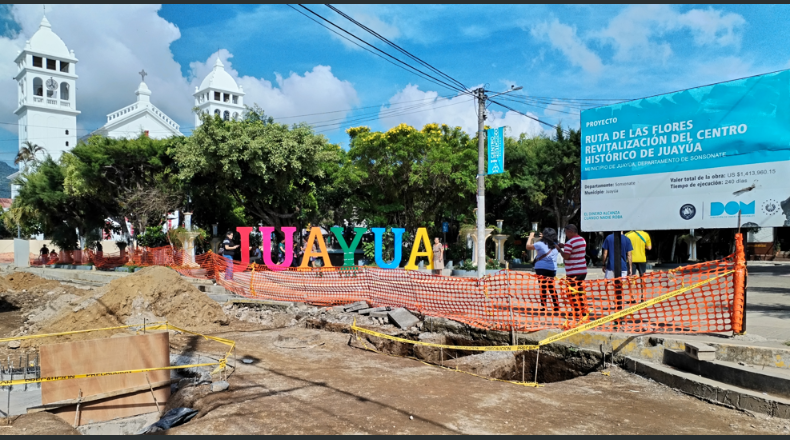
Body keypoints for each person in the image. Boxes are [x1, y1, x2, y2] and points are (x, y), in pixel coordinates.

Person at [556, 224, 588, 320]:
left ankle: (575, 312)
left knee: (572, 292)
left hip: (573, 271)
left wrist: (559, 250)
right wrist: (564, 246)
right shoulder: (582, 240)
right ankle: (583, 311)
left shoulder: (570, 242)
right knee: (580, 291)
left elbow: (566, 256)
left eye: (566, 232)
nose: (566, 235)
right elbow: (575, 248)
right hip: (582, 270)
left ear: (570, 231)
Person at [526, 228, 560, 311]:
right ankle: (556, 305)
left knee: (542, 286)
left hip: (541, 267)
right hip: (552, 268)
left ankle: (543, 305)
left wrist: (530, 237)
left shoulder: (540, 244)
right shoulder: (557, 244)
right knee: (551, 286)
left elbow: (528, 247)